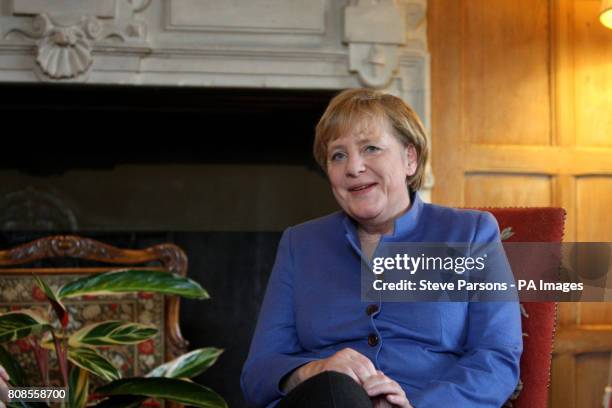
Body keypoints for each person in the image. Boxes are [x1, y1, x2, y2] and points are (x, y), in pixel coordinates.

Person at [240, 88, 523, 408]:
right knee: (335, 388)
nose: (354, 167)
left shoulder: (470, 233)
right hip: (324, 401)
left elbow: (496, 360)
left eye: (371, 148)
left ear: (410, 159)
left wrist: (414, 405)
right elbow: (258, 373)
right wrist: (316, 369)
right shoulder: (300, 243)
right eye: (338, 155)